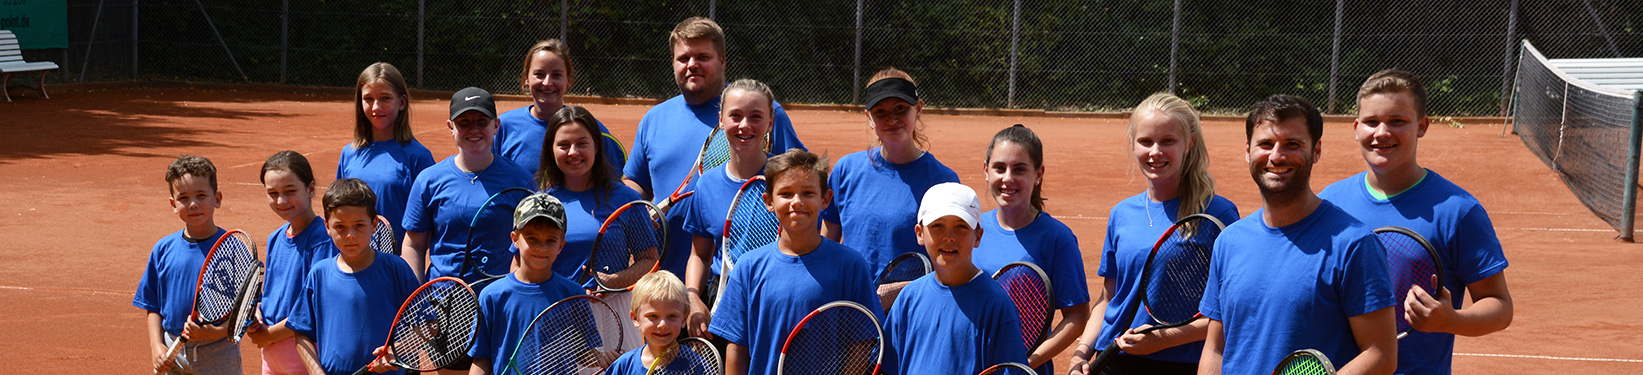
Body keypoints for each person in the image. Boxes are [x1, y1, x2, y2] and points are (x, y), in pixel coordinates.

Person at [1317, 69, 1513, 375]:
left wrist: (1452, 320)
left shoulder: (1457, 211)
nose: (1382, 132)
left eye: (1397, 121)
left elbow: (1499, 306)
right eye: (1371, 122)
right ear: (1356, 128)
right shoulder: (1329, 202)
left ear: (1422, 126)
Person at [1197, 95, 1397, 375]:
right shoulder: (1229, 242)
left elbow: (1380, 354)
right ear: (1247, 150)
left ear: (1316, 151)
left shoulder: (1354, 244)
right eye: (1265, 144)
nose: (1276, 156)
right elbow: (1216, 348)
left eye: (1292, 145)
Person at [622, 16, 806, 280]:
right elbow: (636, 182)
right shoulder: (655, 118)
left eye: (703, 57)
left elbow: (802, 179)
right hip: (667, 280)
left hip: (740, 280)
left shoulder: (758, 114)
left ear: (722, 61)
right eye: (683, 58)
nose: (692, 65)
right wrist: (638, 208)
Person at [1069, 93, 1241, 375]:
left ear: (1190, 143)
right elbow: (1110, 298)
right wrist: (1081, 354)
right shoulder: (1121, 213)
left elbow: (1230, 309)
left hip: (1181, 364)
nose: (1155, 152)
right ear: (1133, 144)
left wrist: (1165, 339)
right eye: (1146, 141)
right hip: (1112, 360)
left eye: (1168, 141)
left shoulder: (1217, 214)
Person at [708, 149, 881, 375]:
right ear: (769, 202)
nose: (797, 202)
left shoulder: (850, 265)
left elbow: (861, 343)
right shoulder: (748, 267)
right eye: (786, 194)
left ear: (825, 199)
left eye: (808, 193)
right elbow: (737, 348)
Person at [821, 68, 960, 308]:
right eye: (881, 112)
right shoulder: (846, 170)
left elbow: (952, 265)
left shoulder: (943, 181)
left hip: (912, 314)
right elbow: (828, 245)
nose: (891, 119)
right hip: (852, 312)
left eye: (901, 109)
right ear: (868, 117)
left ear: (918, 108)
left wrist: (898, 291)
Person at [970, 124, 1091, 374]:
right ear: (986, 170)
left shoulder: (1057, 238)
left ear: (1038, 174)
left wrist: (1026, 362)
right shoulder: (970, 229)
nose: (1007, 178)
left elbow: (1077, 317)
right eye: (999, 168)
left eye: (1020, 169)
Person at [882, 182, 1027, 375]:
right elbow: (890, 368)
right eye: (937, 226)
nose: (949, 237)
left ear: (978, 236)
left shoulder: (996, 305)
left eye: (961, 227)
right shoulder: (908, 298)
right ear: (919, 233)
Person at [402, 87, 535, 284]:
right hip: (441, 302)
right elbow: (414, 245)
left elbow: (534, 244)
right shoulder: (428, 180)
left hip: (499, 304)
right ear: (451, 127)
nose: (474, 129)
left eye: (482, 122)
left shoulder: (521, 181)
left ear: (496, 126)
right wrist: (415, 298)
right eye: (464, 123)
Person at [289, 179, 420, 375]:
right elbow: (301, 332)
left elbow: (429, 325)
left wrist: (397, 349)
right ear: (327, 227)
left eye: (359, 225)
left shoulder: (396, 268)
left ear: (374, 223)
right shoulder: (319, 273)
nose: (350, 235)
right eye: (340, 227)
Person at [679, 79, 777, 336]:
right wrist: (693, 298)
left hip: (777, 298)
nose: (745, 125)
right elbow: (700, 254)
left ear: (770, 122)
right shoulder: (707, 184)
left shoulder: (787, 180)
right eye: (735, 116)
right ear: (721, 120)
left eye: (756, 116)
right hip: (722, 297)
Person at [135, 155, 239, 375]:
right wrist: (157, 346)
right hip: (172, 350)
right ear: (173, 204)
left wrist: (212, 332)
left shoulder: (233, 249)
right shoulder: (163, 249)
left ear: (217, 198)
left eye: (201, 195)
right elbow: (152, 305)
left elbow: (244, 312)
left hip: (218, 353)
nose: (193, 204)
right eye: (183, 197)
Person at [467, 193, 587, 375]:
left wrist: (604, 356)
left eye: (551, 240)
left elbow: (584, 353)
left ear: (561, 245)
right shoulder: (492, 296)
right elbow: (482, 359)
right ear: (515, 239)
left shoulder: (573, 293)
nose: (541, 247)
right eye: (532, 239)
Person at [246, 151, 337, 375]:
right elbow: (271, 292)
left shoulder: (323, 239)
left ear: (311, 189)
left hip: (304, 350)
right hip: (270, 352)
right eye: (273, 193)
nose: (281, 201)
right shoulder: (275, 237)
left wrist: (268, 335)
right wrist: (257, 313)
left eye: (290, 191)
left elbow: (315, 307)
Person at [536, 105, 645, 280]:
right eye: (564, 145)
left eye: (582, 143)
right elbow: (519, 263)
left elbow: (648, 259)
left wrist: (614, 281)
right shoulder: (539, 203)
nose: (573, 152)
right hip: (554, 305)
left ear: (596, 147)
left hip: (610, 304)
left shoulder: (627, 198)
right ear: (552, 150)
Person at [336, 62, 437, 248]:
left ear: (402, 102)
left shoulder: (418, 157)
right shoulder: (348, 154)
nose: (376, 107)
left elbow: (430, 223)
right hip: (354, 262)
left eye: (385, 98)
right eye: (368, 99)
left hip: (396, 268)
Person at [494, 39, 626, 176]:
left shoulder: (591, 128)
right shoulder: (503, 126)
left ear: (568, 80)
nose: (547, 82)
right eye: (539, 74)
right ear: (526, 78)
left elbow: (615, 185)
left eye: (556, 75)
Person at [600, 271, 693, 375]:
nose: (662, 324)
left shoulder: (696, 366)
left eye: (672, 316)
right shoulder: (624, 365)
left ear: (684, 319)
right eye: (653, 316)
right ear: (635, 319)